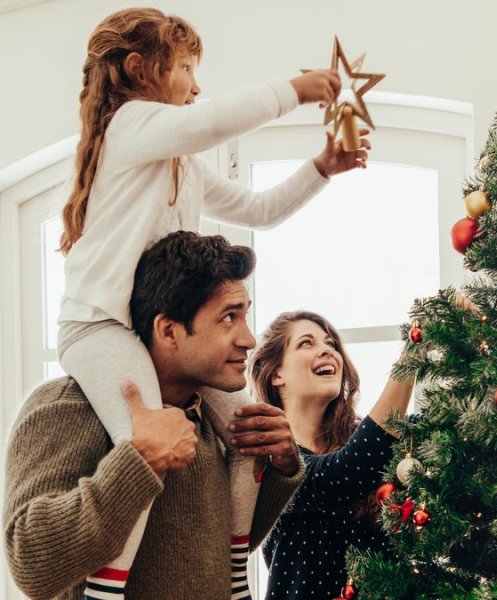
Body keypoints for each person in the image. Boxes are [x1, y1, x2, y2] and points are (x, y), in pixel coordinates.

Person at [55, 8, 369, 598]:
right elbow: (212, 122)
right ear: (139, 70)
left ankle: (232, 575)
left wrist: (321, 168)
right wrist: (294, 91)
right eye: (186, 69)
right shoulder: (129, 126)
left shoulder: (183, 164)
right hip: (98, 327)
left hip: (154, 331)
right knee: (145, 435)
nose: (198, 86)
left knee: (248, 431)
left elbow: (260, 210)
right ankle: (106, 588)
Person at [4, 231, 305, 599]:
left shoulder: (206, 416)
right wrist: (139, 461)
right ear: (169, 331)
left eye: (245, 315)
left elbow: (214, 555)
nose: (249, 339)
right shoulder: (68, 404)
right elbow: (31, 564)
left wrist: (281, 467)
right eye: (229, 317)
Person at [246, 310, 415, 600]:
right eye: (306, 343)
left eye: (331, 344)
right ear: (276, 374)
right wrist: (415, 348)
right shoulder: (270, 456)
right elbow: (343, 474)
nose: (327, 350)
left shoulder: (370, 443)